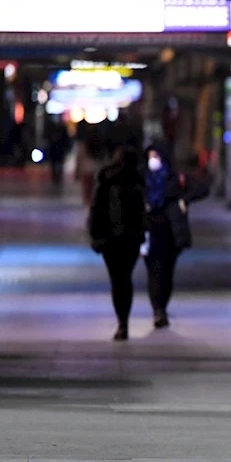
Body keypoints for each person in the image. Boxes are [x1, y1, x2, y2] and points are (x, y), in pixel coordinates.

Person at [143, 143, 210, 329]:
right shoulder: (144, 179)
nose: (152, 160)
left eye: (156, 156)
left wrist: (184, 201)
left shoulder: (175, 178)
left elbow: (203, 188)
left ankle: (162, 306)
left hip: (171, 232)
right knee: (154, 272)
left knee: (166, 272)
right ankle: (158, 310)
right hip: (149, 231)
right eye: (150, 156)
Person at [88, 146, 148, 341]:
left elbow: (96, 210)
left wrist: (95, 234)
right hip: (129, 239)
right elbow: (143, 213)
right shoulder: (137, 182)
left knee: (117, 280)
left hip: (110, 239)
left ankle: (122, 322)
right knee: (125, 278)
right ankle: (124, 321)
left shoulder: (106, 180)